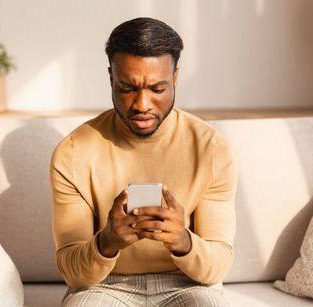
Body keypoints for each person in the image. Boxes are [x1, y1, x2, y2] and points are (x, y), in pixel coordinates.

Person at [49, 17, 238, 307]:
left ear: (175, 78)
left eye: (157, 89)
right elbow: (72, 273)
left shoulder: (211, 149)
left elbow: (218, 265)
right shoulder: (73, 153)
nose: (142, 104)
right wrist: (107, 242)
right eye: (127, 88)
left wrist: (183, 241)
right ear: (111, 77)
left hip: (186, 283)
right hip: (105, 285)